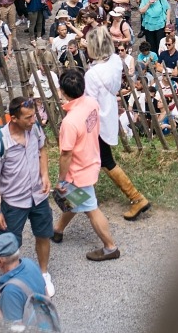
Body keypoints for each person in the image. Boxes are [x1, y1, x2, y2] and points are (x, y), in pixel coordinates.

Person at [51, 67, 120, 260]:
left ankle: (110, 247)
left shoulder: (70, 122)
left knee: (91, 208)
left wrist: (61, 180)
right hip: (92, 159)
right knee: (75, 199)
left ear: (63, 92)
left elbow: (66, 154)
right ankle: (58, 230)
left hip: (78, 170)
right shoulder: (91, 103)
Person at [0, 96, 53, 274]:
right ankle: (10, 278)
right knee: (10, 244)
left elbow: (42, 150)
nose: (33, 120)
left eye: (34, 116)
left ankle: (44, 273)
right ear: (13, 118)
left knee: (43, 234)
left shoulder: (36, 129)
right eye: (28, 118)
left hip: (39, 196)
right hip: (14, 203)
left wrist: (45, 175)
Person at [0, 232, 51, 326]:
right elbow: (46, 293)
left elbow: (11, 329)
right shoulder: (29, 263)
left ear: (0, 261)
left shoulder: (11, 291)